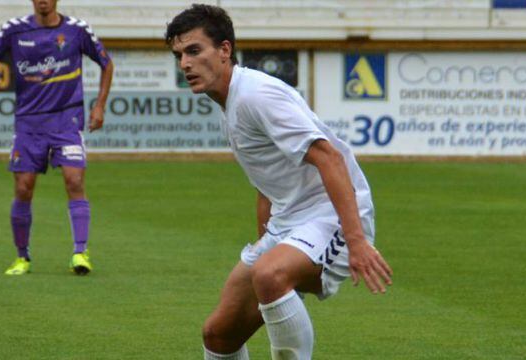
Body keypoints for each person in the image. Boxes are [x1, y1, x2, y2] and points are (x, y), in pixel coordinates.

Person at [166, 4, 393, 359]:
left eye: (194, 51)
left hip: (330, 215)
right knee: (219, 334)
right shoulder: (230, 102)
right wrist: (267, 240)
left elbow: (329, 157)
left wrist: (357, 242)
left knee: (270, 276)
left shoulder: (256, 95)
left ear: (225, 50)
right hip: (289, 223)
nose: (185, 64)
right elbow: (266, 180)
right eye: (179, 55)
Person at [0, 0, 113, 276]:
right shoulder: (14, 29)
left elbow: (106, 64)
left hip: (67, 121)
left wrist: (99, 105)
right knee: (24, 188)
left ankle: (80, 253)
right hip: (29, 124)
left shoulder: (77, 30)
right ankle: (22, 258)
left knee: (74, 180)